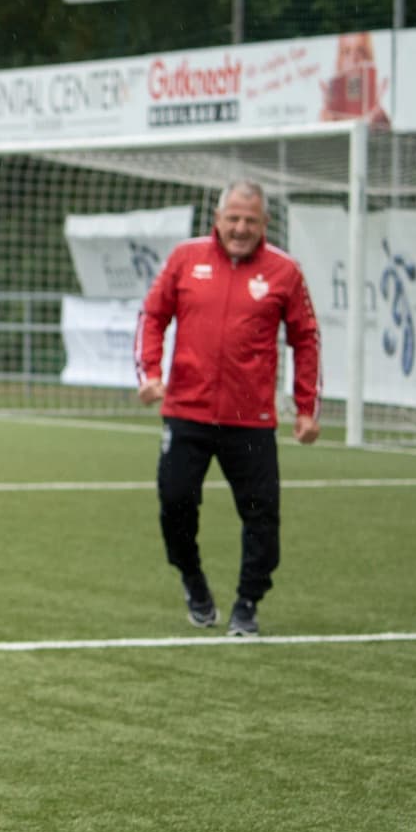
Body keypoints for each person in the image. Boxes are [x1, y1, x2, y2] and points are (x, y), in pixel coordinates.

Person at [136, 180, 320, 638]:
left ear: (264, 224)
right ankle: (193, 582)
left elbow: (306, 339)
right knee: (175, 503)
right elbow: (152, 315)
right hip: (186, 412)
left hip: (251, 421)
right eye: (233, 219)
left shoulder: (285, 272)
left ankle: (247, 604)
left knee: (262, 514)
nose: (240, 228)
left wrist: (305, 408)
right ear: (217, 219)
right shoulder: (185, 258)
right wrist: (150, 374)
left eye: (250, 221)